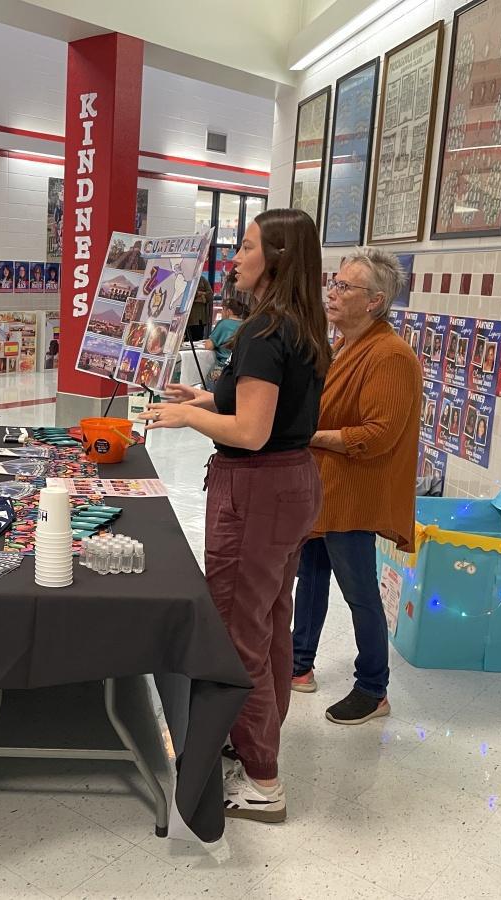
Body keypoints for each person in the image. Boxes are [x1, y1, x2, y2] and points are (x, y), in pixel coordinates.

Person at [139, 208, 329, 824]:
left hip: (257, 490)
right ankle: (254, 742)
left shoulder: (261, 331)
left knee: (237, 632)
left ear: (274, 257)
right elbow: (258, 403)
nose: (235, 258)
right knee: (270, 621)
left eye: (246, 247)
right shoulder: (295, 324)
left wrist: (188, 418)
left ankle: (262, 779)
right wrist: (203, 397)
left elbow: (250, 430)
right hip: (291, 485)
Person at [290, 248, 422, 728]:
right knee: (311, 578)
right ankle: (298, 663)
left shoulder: (390, 356)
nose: (333, 292)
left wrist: (309, 436)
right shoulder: (343, 344)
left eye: (346, 287)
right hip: (323, 489)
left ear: (375, 301)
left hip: (354, 494)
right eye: (335, 282)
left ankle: (373, 687)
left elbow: (377, 434)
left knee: (360, 592)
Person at [204, 282, 251, 383]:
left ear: (228, 311)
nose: (221, 313)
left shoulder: (224, 324)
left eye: (223, 310)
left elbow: (208, 346)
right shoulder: (245, 324)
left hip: (223, 368)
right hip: (240, 369)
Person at [186, 276, 212, 342]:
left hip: (199, 319)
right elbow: (187, 295)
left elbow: (210, 295)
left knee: (197, 342)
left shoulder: (202, 279)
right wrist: (201, 295)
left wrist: (198, 294)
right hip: (185, 319)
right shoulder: (185, 277)